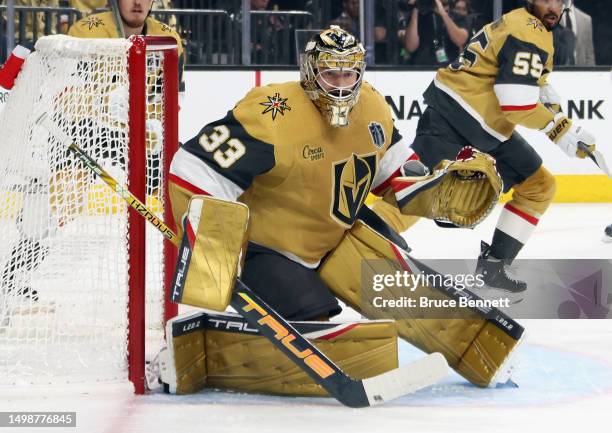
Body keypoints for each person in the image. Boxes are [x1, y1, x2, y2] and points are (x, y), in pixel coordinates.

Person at [166, 26, 521, 390]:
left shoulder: (372, 107)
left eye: (348, 73)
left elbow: (396, 174)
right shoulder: (272, 112)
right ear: (309, 72)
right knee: (335, 340)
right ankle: (201, 356)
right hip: (269, 250)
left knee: (413, 298)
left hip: (335, 240)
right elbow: (193, 166)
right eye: (329, 73)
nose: (340, 84)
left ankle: (482, 352)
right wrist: (213, 245)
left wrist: (439, 191)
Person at [409, 0, 598, 293]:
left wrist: (555, 109)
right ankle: (356, 254)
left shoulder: (529, 25)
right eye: (546, 0)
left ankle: (493, 267)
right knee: (415, 196)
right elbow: (516, 104)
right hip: (452, 121)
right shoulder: (528, 31)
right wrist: (560, 129)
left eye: (559, 1)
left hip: (485, 125)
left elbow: (535, 82)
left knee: (539, 186)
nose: (553, 7)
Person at [403, 0, 469, 66]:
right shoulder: (418, 16)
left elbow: (460, 40)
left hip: (449, 69)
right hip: (423, 69)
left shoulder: (456, 16)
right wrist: (416, 7)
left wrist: (443, 13)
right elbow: (410, 47)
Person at [558, 2, 595, 66]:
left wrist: (591, 74)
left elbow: (589, 55)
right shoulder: (550, 17)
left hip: (581, 72)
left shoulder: (586, 19)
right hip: (557, 72)